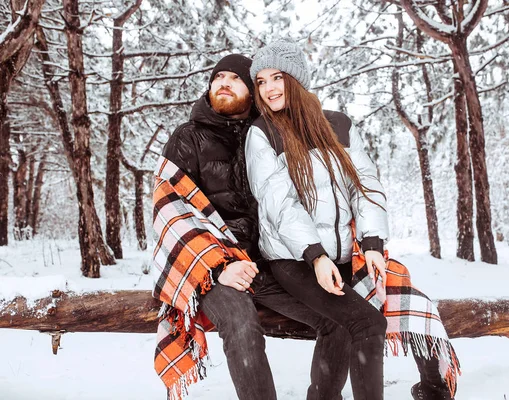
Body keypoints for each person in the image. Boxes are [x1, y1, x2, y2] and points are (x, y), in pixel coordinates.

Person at [245, 40, 457, 400]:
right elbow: (279, 203)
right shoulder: (262, 133)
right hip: (293, 259)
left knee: (365, 319)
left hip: (346, 256)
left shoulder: (339, 125)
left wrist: (373, 243)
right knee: (368, 323)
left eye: (277, 77)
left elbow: (366, 185)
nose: (268, 89)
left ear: (296, 79)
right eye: (261, 81)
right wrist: (316, 255)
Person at [153, 54, 353, 400]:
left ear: (253, 92)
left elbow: (300, 198)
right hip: (212, 266)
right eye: (218, 77)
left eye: (236, 78)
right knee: (243, 326)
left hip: (268, 265)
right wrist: (218, 267)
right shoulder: (188, 137)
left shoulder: (269, 135)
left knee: (341, 316)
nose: (224, 83)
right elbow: (170, 209)